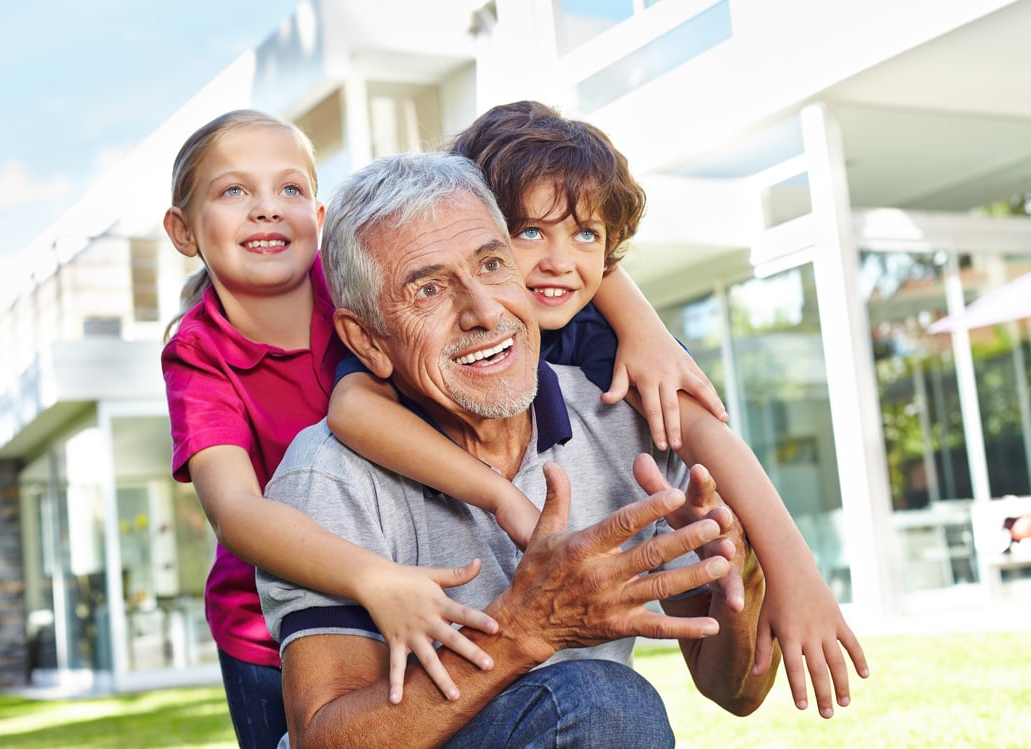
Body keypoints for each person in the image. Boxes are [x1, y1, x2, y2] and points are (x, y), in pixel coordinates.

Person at [331, 100, 870, 718]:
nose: (560, 259)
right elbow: (351, 408)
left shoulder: (604, 350)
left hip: (579, 709)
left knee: (607, 703)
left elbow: (711, 437)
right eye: (529, 232)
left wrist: (786, 569)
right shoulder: (419, 339)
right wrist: (502, 497)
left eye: (586, 235)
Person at [257, 151, 780, 748]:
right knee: (605, 703)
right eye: (428, 289)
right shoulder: (327, 475)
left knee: (607, 705)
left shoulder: (622, 422)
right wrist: (524, 629)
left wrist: (735, 571)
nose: (484, 312)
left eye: (493, 264)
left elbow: (736, 694)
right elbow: (323, 740)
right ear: (366, 342)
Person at [160, 110, 500, 747]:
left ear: (318, 221)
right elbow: (235, 511)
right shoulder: (198, 354)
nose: (266, 209)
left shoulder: (356, 290)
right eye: (235, 190)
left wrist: (641, 322)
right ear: (183, 231)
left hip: (413, 578)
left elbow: (534, 254)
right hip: (271, 632)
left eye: (289, 189)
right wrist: (373, 578)